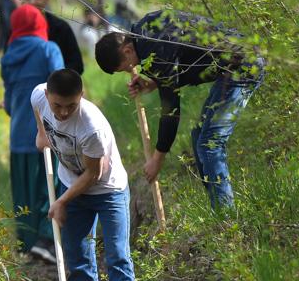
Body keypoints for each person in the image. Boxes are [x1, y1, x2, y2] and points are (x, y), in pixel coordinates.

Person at [94, 11, 265, 210]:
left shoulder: (155, 50)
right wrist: (153, 84)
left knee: (210, 143)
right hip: (232, 66)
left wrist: (158, 158)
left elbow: (171, 110)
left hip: (244, 66)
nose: (129, 70)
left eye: (124, 67)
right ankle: (218, 209)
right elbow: (185, 58)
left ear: (127, 51)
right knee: (199, 136)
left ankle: (226, 218)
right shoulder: (146, 29)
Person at [32, 69, 134, 281]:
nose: (64, 112)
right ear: (47, 95)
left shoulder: (91, 127)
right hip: (71, 185)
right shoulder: (39, 96)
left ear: (82, 96)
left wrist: (62, 201)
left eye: (71, 106)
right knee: (78, 258)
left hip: (108, 191)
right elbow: (36, 104)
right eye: (57, 105)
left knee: (117, 257)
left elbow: (93, 174)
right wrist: (42, 132)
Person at [0, 4, 64, 263]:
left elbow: (7, 104)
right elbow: (60, 87)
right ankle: (47, 240)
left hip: (18, 136)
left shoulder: (8, 56)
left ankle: (26, 245)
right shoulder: (49, 49)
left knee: (24, 191)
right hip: (48, 132)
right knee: (50, 186)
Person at [20, 0, 84, 74]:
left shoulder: (61, 28)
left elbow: (77, 64)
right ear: (22, 0)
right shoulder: (16, 30)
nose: (32, 2)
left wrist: (57, 78)